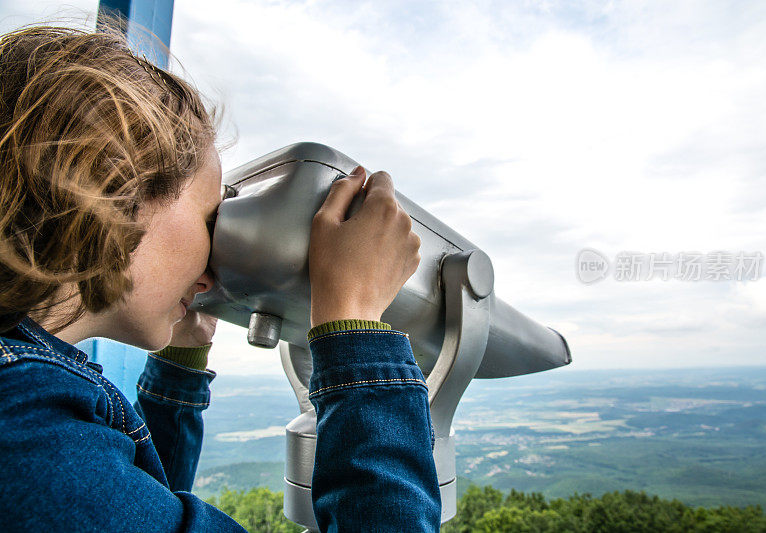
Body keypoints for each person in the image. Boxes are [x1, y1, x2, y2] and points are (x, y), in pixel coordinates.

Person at [0, 24, 441, 532]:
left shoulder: (31, 424)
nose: (209, 276)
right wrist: (354, 321)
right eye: (210, 220)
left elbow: (136, 503)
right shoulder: (30, 450)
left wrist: (180, 364)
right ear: (118, 195)